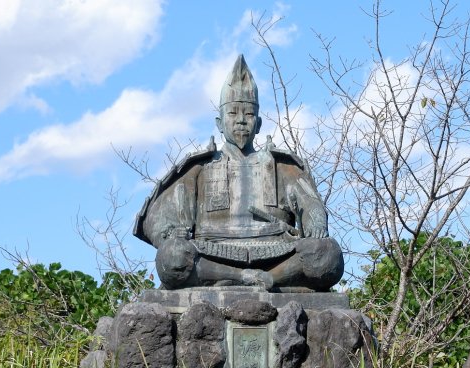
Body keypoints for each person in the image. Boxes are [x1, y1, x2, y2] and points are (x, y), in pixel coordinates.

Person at [134, 55, 344, 291]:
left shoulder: (283, 166)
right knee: (171, 257)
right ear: (220, 123)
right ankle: (239, 277)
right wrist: (171, 233)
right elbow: (159, 219)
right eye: (233, 113)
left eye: (249, 114)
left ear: (259, 123)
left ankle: (271, 279)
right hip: (212, 255)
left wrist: (316, 222)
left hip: (277, 255)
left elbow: (311, 205)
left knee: (328, 253)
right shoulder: (198, 168)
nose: (241, 121)